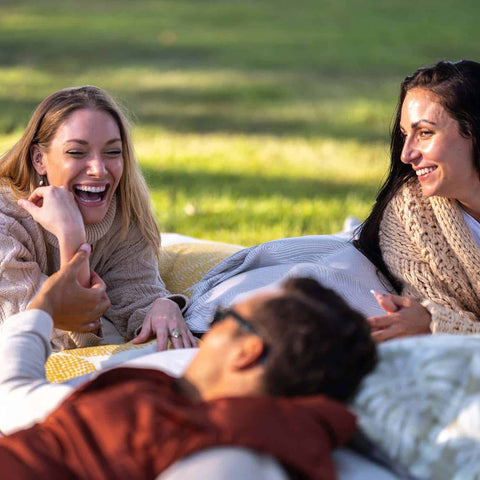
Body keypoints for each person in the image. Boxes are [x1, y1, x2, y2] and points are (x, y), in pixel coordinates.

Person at [0, 244, 376, 480]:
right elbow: (15, 400)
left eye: (221, 321)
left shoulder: (231, 454)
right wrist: (45, 305)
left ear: (247, 353)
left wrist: (45, 307)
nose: (203, 336)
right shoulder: (168, 395)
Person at [0, 85, 196, 350]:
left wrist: (162, 306)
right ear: (39, 159)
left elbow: (137, 297)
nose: (98, 169)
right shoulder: (7, 224)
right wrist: (71, 238)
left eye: (112, 152)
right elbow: (34, 336)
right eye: (77, 152)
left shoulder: (124, 217)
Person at [355, 59, 480, 342]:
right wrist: (435, 321)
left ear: (474, 132)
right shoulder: (411, 217)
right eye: (404, 135)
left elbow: (443, 322)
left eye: (424, 133)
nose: (406, 154)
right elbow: (437, 313)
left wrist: (439, 324)